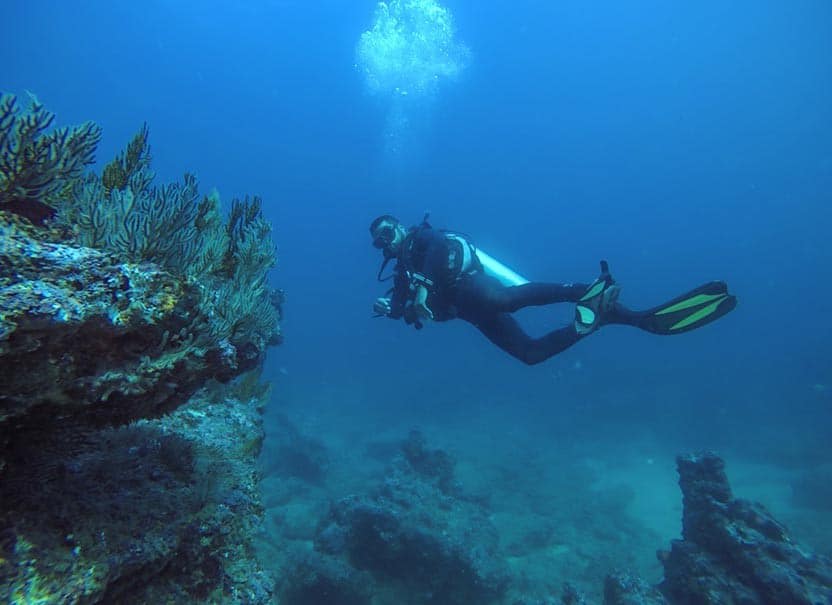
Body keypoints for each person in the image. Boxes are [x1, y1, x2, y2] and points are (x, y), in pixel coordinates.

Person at [369, 214, 737, 365]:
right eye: (378, 242)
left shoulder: (423, 239)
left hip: (470, 288)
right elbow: (405, 308)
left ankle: (587, 291)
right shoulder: (402, 274)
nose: (385, 242)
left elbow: (440, 248)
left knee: (507, 299)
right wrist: (392, 307)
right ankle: (613, 321)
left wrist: (425, 286)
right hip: (470, 313)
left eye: (387, 232)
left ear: (400, 228)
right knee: (529, 354)